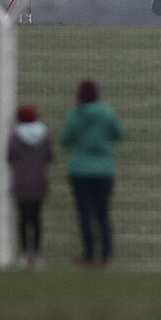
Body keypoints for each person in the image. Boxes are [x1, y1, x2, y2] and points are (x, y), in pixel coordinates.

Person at [61, 79, 123, 267]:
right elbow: (118, 134)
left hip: (79, 169)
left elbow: (65, 140)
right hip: (104, 170)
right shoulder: (107, 113)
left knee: (84, 213)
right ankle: (106, 255)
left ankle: (88, 255)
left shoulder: (74, 115)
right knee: (103, 213)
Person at [6, 103, 54, 268]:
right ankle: (37, 253)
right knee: (36, 218)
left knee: (23, 218)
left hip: (21, 182)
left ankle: (25, 253)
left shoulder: (15, 136)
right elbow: (49, 156)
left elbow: (10, 157)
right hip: (39, 181)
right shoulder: (44, 135)